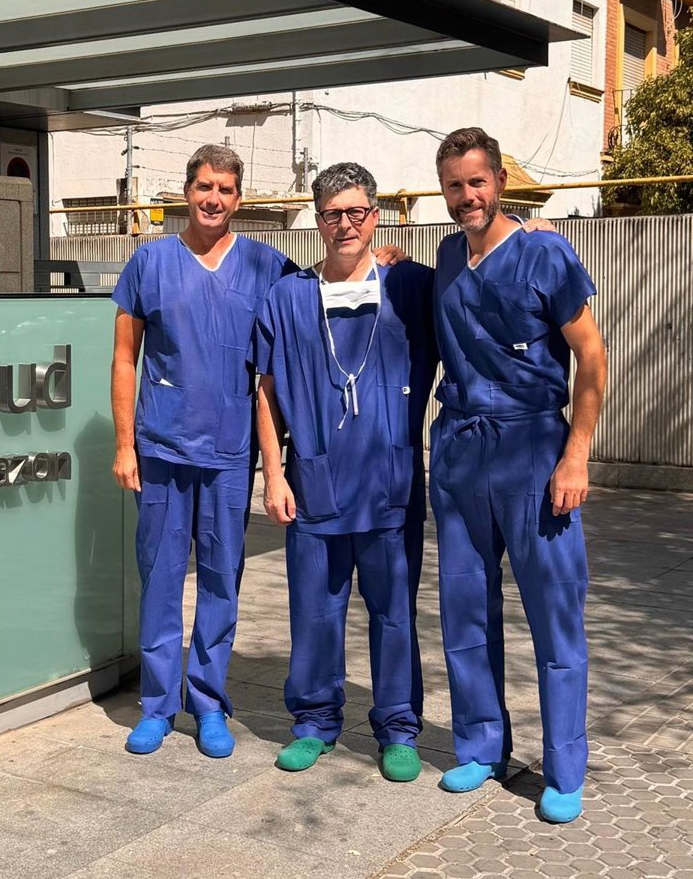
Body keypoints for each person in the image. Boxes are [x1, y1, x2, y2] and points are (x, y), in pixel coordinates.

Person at [430, 128, 606, 823]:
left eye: (477, 181)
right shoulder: (446, 256)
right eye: (454, 184)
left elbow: (591, 355)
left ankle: (563, 767)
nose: (467, 196)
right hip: (460, 448)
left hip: (533, 447)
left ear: (500, 181)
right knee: (465, 605)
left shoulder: (545, 252)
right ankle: (481, 746)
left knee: (554, 611)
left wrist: (576, 453)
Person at [252, 162, 437, 781]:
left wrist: (526, 225)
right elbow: (267, 392)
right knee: (314, 614)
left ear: (375, 217)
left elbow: (482, 271)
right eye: (333, 214)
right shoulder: (288, 298)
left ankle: (398, 729)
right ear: (317, 220)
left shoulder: (409, 288)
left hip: (389, 485)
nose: (345, 225)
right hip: (315, 484)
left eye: (356, 212)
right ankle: (314, 722)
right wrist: (274, 474)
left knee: (394, 614)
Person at [110, 144, 291, 757]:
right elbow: (124, 358)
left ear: (239, 198)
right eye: (204, 186)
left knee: (220, 578)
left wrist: (387, 256)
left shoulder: (265, 265)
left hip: (229, 451)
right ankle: (158, 705)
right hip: (161, 447)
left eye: (226, 189)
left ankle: (209, 702)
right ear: (186, 191)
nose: (214, 199)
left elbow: (324, 283)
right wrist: (125, 444)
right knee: (160, 578)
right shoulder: (150, 262)